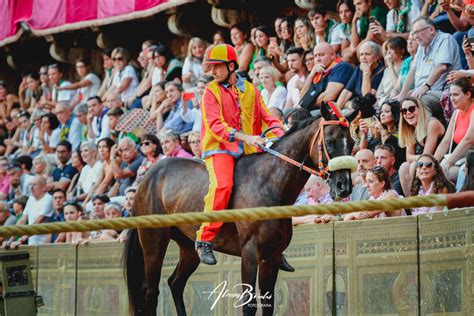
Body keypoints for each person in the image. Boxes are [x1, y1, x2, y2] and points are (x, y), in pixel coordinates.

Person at [194, 44, 284, 265]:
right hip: (220, 148)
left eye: (217, 67)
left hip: (250, 149)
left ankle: (274, 246)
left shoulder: (251, 90)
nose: (212, 72)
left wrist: (282, 133)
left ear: (231, 65)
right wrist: (246, 137)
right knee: (222, 186)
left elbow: (267, 118)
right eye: (211, 68)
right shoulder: (210, 91)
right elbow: (216, 127)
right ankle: (204, 240)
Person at [395, 16, 461, 122]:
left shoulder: (445, 39)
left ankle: (427, 136)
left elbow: (441, 67)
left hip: (444, 91)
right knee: (395, 103)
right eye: (413, 33)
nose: (415, 37)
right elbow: (413, 70)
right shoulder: (422, 46)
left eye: (417, 32)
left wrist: (425, 87)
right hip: (424, 91)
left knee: (420, 102)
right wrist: (402, 94)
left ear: (431, 29)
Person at [398, 96, 445, 195]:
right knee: (404, 167)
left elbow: (427, 156)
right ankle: (413, 207)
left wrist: (417, 158)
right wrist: (418, 157)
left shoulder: (432, 124)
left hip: (442, 160)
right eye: (404, 111)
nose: (408, 113)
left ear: (420, 109)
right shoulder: (411, 129)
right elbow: (408, 156)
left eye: (411, 109)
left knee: (414, 166)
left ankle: (424, 202)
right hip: (428, 161)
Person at [434, 78, 474, 181]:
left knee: (442, 173)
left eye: (455, 95)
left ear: (468, 95)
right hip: (462, 157)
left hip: (471, 158)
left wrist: (448, 162)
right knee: (430, 170)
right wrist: (432, 162)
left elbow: (468, 140)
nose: (452, 98)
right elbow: (446, 141)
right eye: (450, 95)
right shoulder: (456, 113)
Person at [299, 42, 354, 109]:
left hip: (338, 109)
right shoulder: (318, 72)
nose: (318, 59)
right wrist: (311, 75)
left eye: (321, 55)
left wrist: (306, 105)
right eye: (315, 56)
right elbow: (301, 98)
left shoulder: (341, 67)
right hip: (319, 109)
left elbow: (328, 97)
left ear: (332, 55)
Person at [337, 41, 385, 109]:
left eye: (367, 54)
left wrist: (366, 73)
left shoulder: (382, 70)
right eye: (361, 54)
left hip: (371, 109)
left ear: (376, 57)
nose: (363, 57)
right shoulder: (359, 68)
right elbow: (347, 91)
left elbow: (367, 98)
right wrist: (336, 110)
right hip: (357, 105)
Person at [11, 176, 53, 246]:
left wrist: (21, 240)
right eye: (30, 184)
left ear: (44, 187)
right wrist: (11, 239)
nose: (31, 187)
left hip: (45, 243)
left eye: (34, 184)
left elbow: (38, 222)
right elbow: (22, 220)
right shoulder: (31, 198)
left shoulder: (48, 199)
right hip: (31, 241)